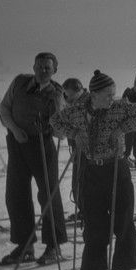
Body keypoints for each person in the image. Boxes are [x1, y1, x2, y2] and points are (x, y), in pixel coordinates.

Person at [51, 70, 136, 270]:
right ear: (94, 94)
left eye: (113, 94)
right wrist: (74, 135)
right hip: (91, 171)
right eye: (108, 94)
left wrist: (122, 128)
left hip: (116, 169)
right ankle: (93, 267)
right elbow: (55, 120)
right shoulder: (78, 111)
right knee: (93, 222)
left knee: (123, 220)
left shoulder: (119, 108)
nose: (112, 98)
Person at [0, 53, 68, 265]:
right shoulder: (19, 82)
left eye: (47, 67)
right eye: (39, 66)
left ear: (54, 70)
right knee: (15, 194)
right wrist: (15, 129)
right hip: (17, 143)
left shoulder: (56, 94)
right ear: (34, 67)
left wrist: (55, 122)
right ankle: (25, 245)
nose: (43, 70)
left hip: (41, 145)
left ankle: (53, 246)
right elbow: (4, 108)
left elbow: (61, 132)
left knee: (48, 194)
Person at [61, 78, 90, 214]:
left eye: (71, 95)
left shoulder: (88, 102)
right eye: (66, 95)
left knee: (84, 181)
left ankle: (87, 209)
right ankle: (83, 209)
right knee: (77, 182)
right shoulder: (74, 102)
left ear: (79, 91)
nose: (68, 97)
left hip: (87, 149)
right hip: (77, 147)